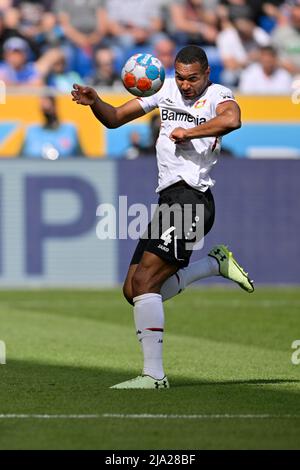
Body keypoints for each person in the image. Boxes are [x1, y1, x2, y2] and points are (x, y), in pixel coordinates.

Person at [72, 45, 254, 390]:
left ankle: (154, 376)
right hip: (169, 199)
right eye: (181, 78)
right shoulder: (163, 88)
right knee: (133, 289)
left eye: (193, 79)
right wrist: (95, 101)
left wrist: (192, 132)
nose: (186, 85)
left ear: (206, 74)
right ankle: (213, 265)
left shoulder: (218, 95)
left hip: (192, 198)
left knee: (145, 285)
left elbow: (232, 120)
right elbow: (113, 119)